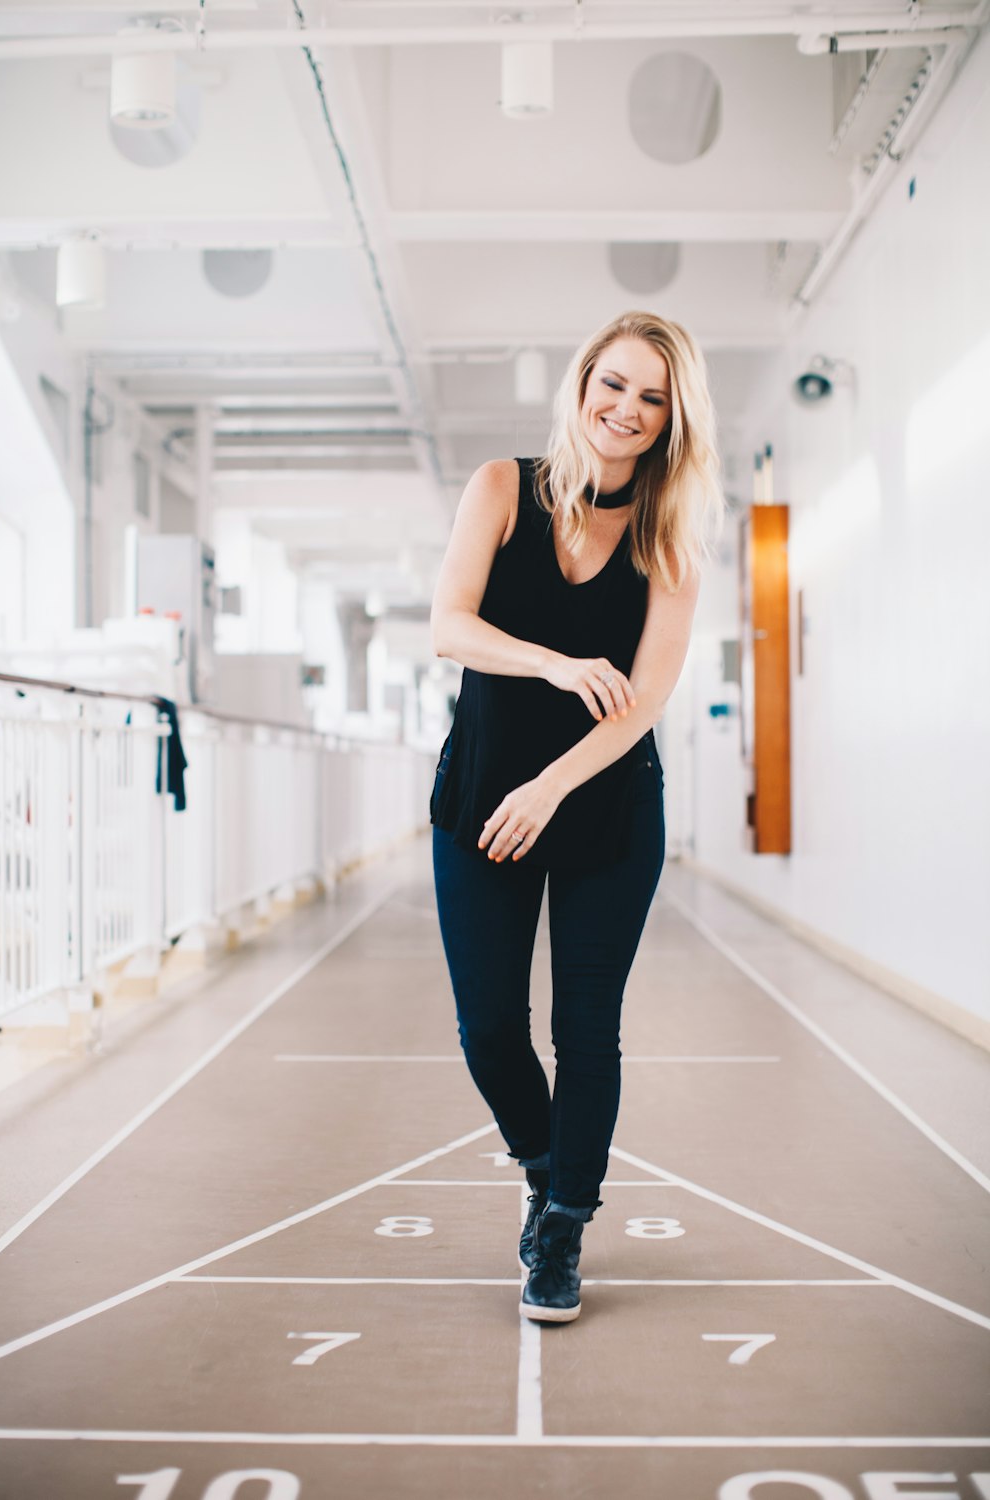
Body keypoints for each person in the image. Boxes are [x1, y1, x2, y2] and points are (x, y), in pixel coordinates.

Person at [428, 310, 725, 1322]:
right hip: (480, 797)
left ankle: (561, 1228)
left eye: (652, 397)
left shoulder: (672, 540)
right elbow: (449, 625)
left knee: (586, 1030)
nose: (626, 410)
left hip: (601, 806)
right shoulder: (501, 488)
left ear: (673, 419)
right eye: (615, 384)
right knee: (487, 1031)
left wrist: (553, 782)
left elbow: (642, 700)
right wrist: (553, 662)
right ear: (582, 383)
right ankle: (545, 1161)